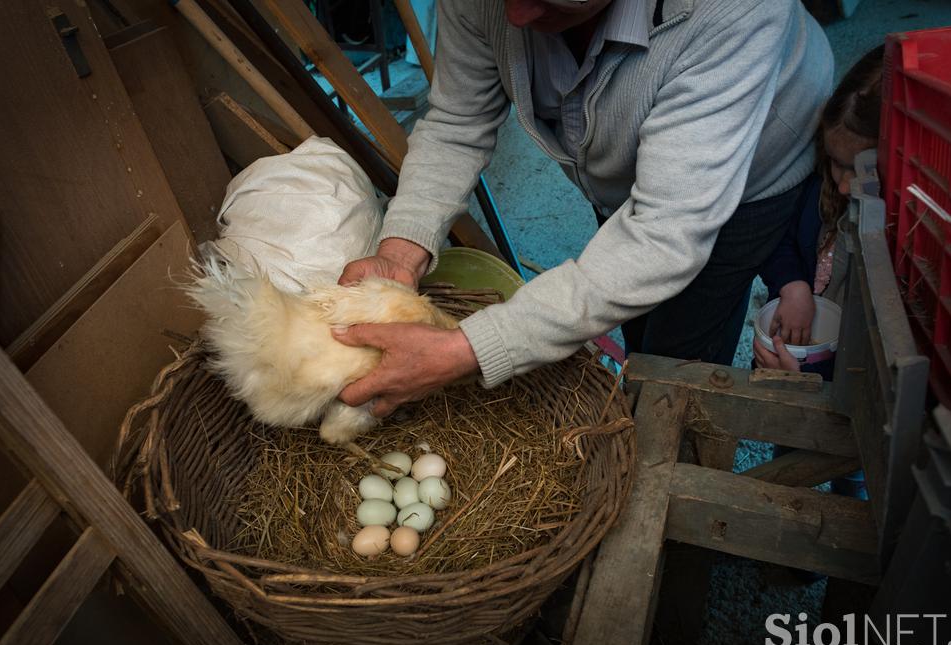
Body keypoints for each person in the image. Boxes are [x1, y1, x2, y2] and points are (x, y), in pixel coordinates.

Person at [333, 0, 833, 418]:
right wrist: (401, 253)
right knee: (634, 310)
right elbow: (457, 122)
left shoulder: (739, 11)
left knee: (681, 356)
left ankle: (674, 452)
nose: (516, 15)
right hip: (637, 177)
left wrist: (466, 350)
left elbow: (663, 232)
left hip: (752, 173)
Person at [753, 45, 885, 375]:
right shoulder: (816, 184)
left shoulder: (893, 239)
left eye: (858, 170)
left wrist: (800, 380)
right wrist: (791, 284)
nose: (842, 185)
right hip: (788, 354)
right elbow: (777, 233)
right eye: (835, 164)